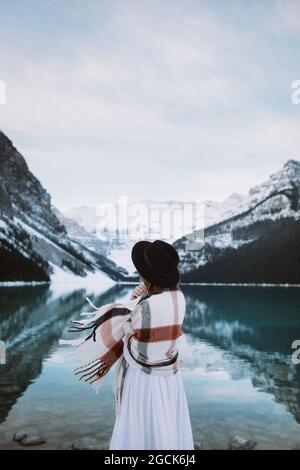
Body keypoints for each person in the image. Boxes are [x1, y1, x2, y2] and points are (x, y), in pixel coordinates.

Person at [109, 240, 194, 450]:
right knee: (166, 430)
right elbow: (157, 328)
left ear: (147, 276)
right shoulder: (179, 297)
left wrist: (132, 311)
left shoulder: (145, 305)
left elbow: (137, 351)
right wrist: (141, 299)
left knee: (141, 431)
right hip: (171, 378)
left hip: (144, 380)